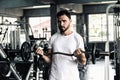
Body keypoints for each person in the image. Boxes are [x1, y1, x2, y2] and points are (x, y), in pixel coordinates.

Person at [36, 10, 86, 80]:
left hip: (71, 77)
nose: (61, 24)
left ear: (70, 21)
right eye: (59, 21)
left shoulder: (77, 38)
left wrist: (79, 55)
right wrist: (42, 55)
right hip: (54, 77)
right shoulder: (53, 38)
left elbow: (83, 61)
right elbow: (49, 61)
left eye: (64, 21)